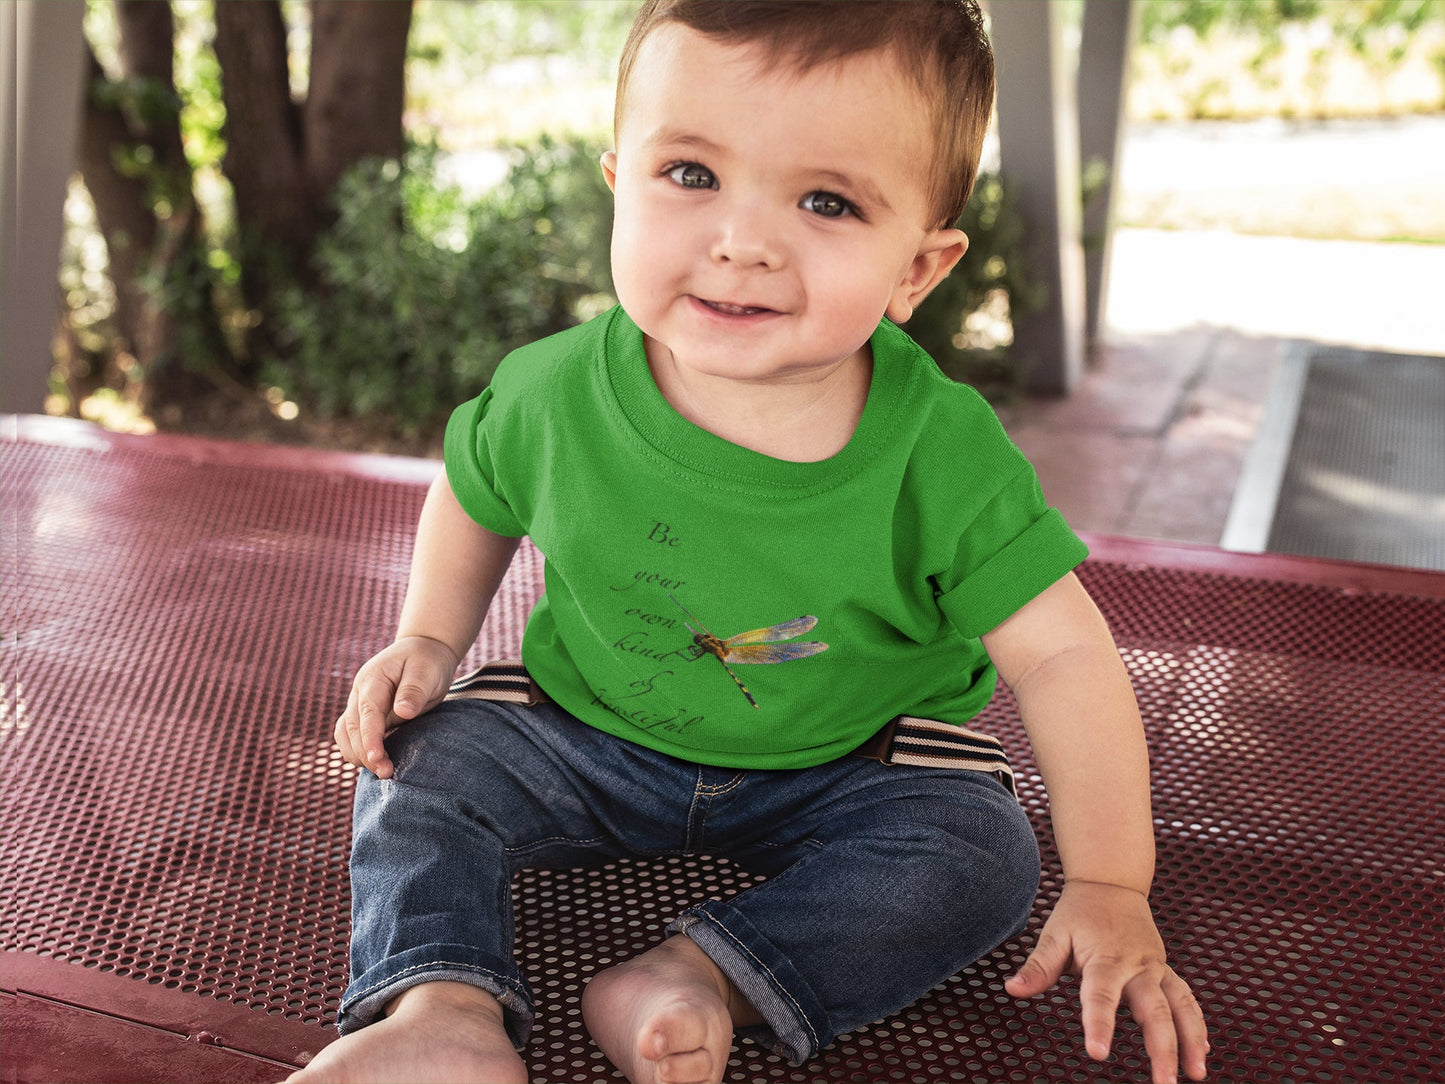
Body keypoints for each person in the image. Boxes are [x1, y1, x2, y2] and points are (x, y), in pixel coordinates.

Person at [288, 3, 1210, 1083]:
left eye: (824, 200)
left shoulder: (937, 451)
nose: (741, 240)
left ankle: (700, 976)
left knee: (982, 855)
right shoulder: (553, 390)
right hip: (586, 732)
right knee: (418, 758)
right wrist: (431, 637)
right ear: (618, 180)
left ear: (916, 267)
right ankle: (438, 1002)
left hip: (845, 765)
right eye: (689, 174)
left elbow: (1059, 653)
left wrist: (1108, 881)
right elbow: (476, 488)